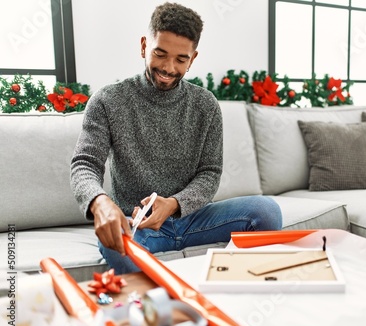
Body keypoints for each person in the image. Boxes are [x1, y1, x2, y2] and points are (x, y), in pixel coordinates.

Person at [70, 2, 282, 274]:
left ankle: (236, 283)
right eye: (160, 54)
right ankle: (162, 304)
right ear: (144, 46)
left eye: (181, 59)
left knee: (266, 210)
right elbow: (84, 164)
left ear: (192, 59)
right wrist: (99, 202)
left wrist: (173, 204)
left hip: (195, 219)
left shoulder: (205, 105)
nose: (169, 67)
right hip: (138, 224)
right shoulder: (108, 101)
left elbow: (210, 173)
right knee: (115, 243)